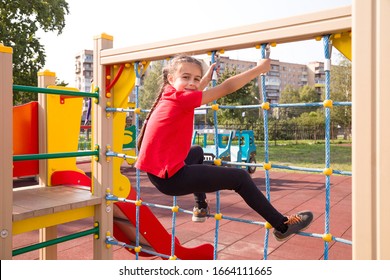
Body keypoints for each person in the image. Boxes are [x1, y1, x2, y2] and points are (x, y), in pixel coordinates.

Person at [135, 55, 313, 241]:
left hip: (157, 173)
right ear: (171, 78)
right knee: (240, 178)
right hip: (171, 179)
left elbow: (193, 91)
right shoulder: (183, 99)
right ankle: (282, 226)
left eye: (196, 78)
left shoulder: (169, 93)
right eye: (186, 77)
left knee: (196, 152)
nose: (192, 83)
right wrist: (258, 69)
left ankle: (200, 207)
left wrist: (204, 79)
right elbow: (227, 88)